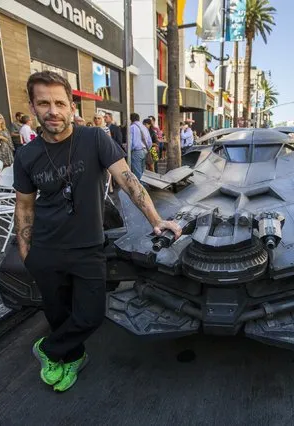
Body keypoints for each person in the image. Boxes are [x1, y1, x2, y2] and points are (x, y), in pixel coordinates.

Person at [13, 71, 182, 393]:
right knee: (58, 314)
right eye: (44, 103)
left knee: (90, 315)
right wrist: (26, 251)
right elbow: (24, 207)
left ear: (71, 106)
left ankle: (47, 350)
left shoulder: (94, 139)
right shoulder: (26, 155)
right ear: (33, 107)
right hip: (45, 249)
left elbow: (128, 180)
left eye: (60, 103)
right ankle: (70, 359)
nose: (53, 111)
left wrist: (156, 221)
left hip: (88, 246)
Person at [129, 113, 152, 180]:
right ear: (139, 119)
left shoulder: (132, 127)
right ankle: (144, 186)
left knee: (137, 172)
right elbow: (149, 142)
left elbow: (130, 142)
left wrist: (128, 152)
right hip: (145, 151)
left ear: (131, 119)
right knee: (143, 170)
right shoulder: (144, 127)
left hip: (136, 152)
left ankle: (141, 188)